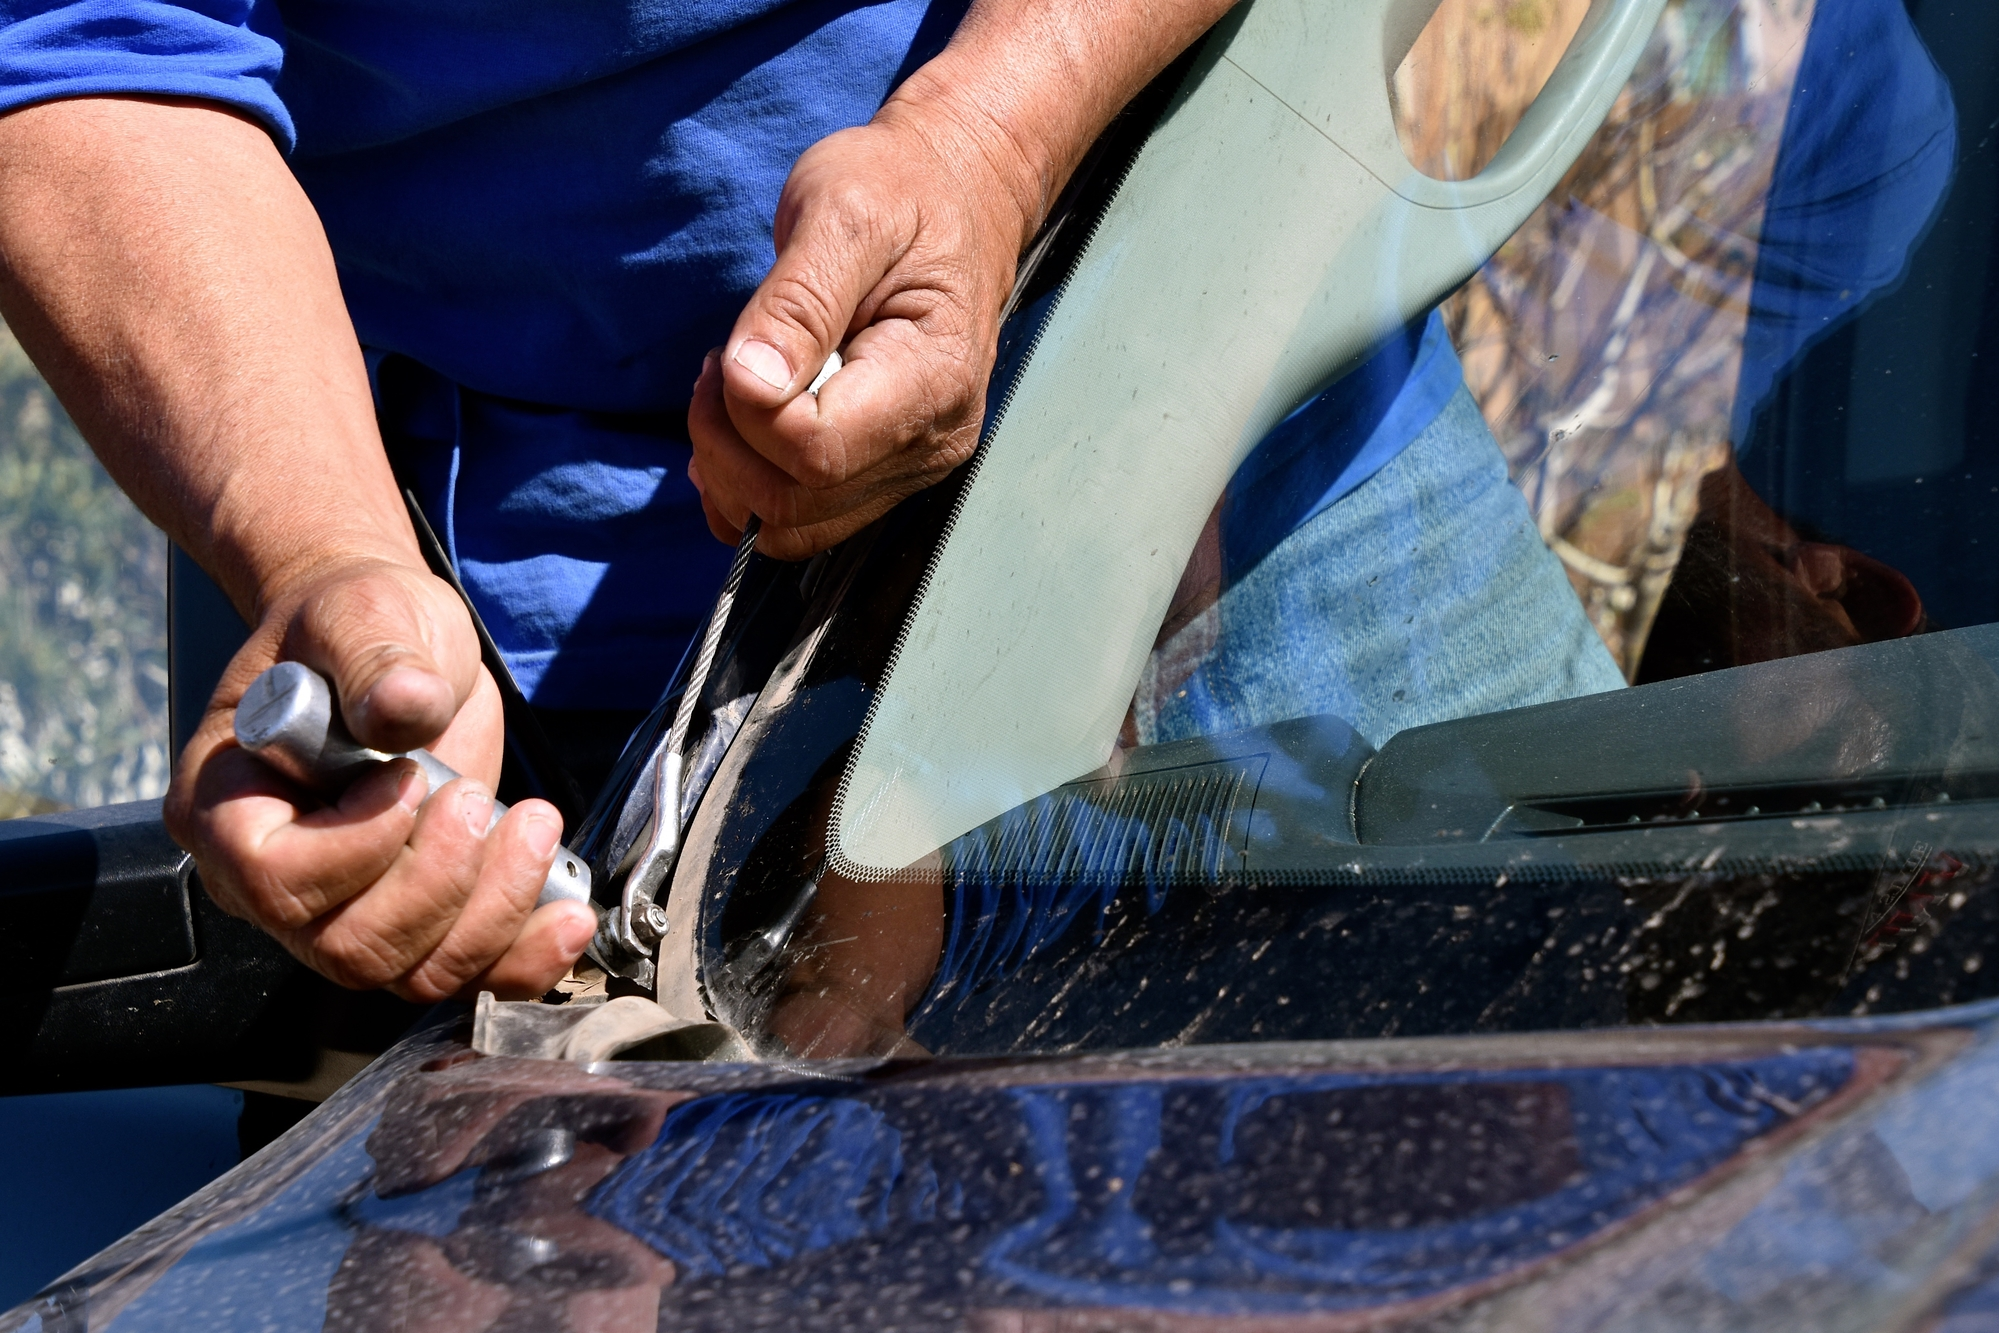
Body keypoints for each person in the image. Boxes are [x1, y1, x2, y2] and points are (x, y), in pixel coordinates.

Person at [0, 0, 1237, 1002]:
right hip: (566, 727)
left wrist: (991, 142)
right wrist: (329, 549)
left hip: (1270, 481)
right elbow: (98, 43)